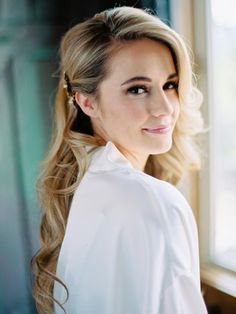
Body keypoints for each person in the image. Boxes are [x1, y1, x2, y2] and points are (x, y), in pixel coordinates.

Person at [31, 6, 208, 314]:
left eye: (169, 84)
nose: (164, 107)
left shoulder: (86, 182)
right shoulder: (154, 202)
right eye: (137, 89)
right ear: (87, 102)